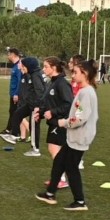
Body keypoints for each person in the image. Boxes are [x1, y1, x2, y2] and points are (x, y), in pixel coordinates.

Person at [36, 59, 99, 211]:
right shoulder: (83, 91)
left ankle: (80, 201)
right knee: (59, 161)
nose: (73, 75)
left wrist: (62, 122)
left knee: (71, 168)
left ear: (85, 74)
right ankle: (50, 193)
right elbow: (78, 114)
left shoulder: (86, 93)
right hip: (75, 137)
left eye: (76, 72)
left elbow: (79, 118)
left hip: (79, 137)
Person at [33, 57, 73, 189]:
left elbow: (69, 104)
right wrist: (41, 112)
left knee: (54, 149)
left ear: (54, 67)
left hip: (60, 122)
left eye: (45, 66)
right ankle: (61, 178)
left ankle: (61, 179)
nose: (43, 69)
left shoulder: (62, 83)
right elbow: (49, 103)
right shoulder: (52, 82)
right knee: (56, 150)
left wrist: (53, 112)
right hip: (53, 122)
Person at [2, 57, 45, 145]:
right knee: (17, 114)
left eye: (23, 66)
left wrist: (38, 106)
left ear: (29, 66)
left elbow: (40, 92)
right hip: (29, 103)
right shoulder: (30, 74)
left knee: (33, 127)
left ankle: (35, 149)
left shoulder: (35, 75)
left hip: (35, 105)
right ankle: (14, 136)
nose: (21, 67)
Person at [0, 48, 22, 136]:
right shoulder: (15, 65)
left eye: (9, 54)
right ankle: (10, 129)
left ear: (13, 55)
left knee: (15, 112)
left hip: (16, 94)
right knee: (12, 111)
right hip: (13, 93)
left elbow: (20, 81)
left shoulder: (19, 66)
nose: (7, 56)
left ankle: (14, 131)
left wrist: (16, 93)